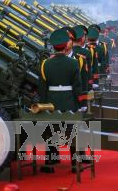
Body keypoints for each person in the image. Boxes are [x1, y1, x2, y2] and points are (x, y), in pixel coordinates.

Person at [39, 28, 83, 172]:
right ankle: (75, 165)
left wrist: (45, 105)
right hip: (69, 102)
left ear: (53, 46)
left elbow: (43, 89)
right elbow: (77, 87)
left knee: (50, 132)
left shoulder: (45, 64)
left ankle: (50, 162)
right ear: (66, 45)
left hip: (52, 104)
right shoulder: (73, 63)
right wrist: (78, 104)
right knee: (73, 133)